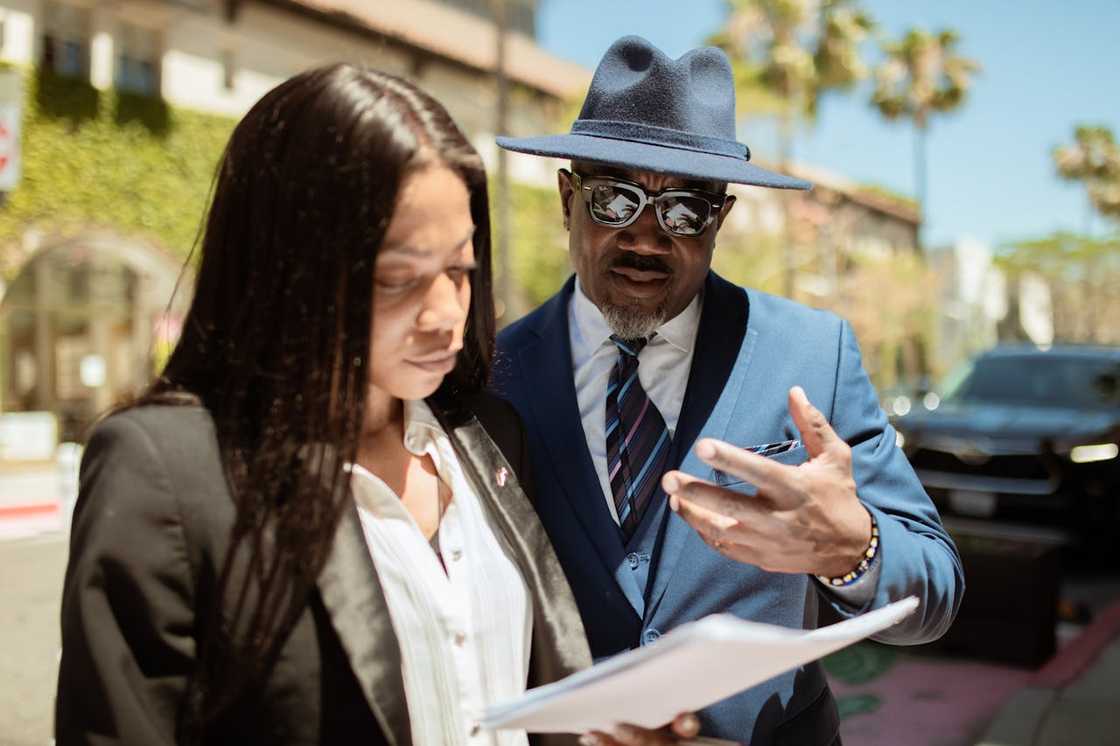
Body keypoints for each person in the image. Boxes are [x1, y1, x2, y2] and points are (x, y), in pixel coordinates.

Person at [54, 64, 698, 746]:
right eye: (398, 278)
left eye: (459, 270)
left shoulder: (489, 435)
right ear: (285, 267)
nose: (446, 314)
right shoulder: (164, 471)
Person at [493, 37, 965, 746]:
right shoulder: (491, 376)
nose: (646, 237)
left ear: (721, 219)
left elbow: (936, 593)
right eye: (615, 200)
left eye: (684, 210)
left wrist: (854, 548)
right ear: (568, 199)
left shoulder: (814, 355)